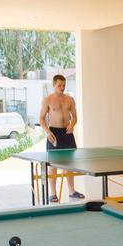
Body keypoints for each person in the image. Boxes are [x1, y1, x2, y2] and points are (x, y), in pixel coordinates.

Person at [38, 74, 84, 202]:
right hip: (54, 133)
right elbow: (41, 119)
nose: (62, 88)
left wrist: (72, 125)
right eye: (59, 85)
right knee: (53, 164)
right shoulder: (47, 100)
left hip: (67, 133)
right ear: (53, 85)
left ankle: (72, 191)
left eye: (64, 85)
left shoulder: (70, 100)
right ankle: (53, 193)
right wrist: (48, 132)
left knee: (70, 163)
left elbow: (74, 117)